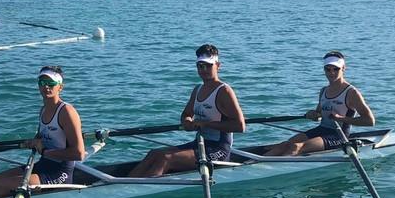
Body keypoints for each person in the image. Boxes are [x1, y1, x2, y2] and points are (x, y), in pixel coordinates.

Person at [0, 66, 86, 198]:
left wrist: (44, 151)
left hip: (59, 174)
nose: (46, 87)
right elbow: (44, 136)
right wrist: (34, 142)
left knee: (0, 185)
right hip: (43, 165)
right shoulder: (43, 110)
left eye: (51, 84)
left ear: (60, 87)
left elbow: (79, 154)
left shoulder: (67, 112)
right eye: (42, 83)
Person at [128, 44, 245, 177]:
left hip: (218, 150)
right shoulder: (197, 90)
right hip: (200, 144)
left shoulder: (224, 91)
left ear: (218, 65)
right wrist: (187, 122)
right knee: (154, 153)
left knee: (166, 158)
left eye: (208, 65)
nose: (204, 69)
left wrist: (205, 124)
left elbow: (240, 126)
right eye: (200, 65)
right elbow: (186, 114)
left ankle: (142, 190)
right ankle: (122, 186)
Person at [258, 51, 375, 156]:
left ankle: (274, 168)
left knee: (296, 147)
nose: (331, 73)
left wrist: (341, 118)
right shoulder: (324, 90)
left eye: (336, 69)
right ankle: (256, 164)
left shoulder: (351, 93)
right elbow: (319, 114)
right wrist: (313, 114)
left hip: (339, 136)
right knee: (285, 144)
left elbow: (369, 121)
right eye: (327, 69)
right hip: (322, 129)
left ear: (343, 68)